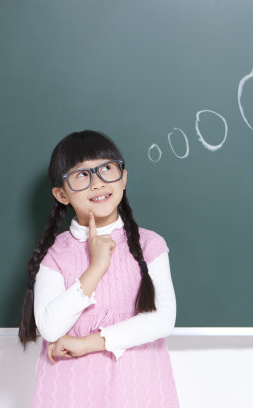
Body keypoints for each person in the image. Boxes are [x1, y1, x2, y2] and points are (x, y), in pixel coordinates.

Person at [18, 130, 180, 407]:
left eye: (106, 169)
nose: (98, 183)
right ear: (61, 194)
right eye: (82, 174)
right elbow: (51, 329)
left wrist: (87, 343)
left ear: (123, 178)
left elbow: (162, 319)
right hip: (71, 393)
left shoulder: (149, 245)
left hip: (138, 390)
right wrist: (97, 266)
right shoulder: (55, 254)